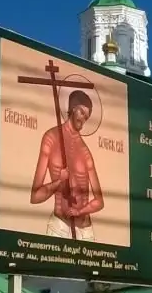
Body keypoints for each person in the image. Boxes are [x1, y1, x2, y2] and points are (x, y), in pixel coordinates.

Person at [29, 90, 105, 241]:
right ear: (73, 108)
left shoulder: (85, 152)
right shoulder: (51, 138)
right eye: (82, 112)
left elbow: (99, 201)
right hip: (60, 228)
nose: (83, 119)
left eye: (87, 117)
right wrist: (58, 183)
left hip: (85, 232)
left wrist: (80, 211)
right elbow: (35, 197)